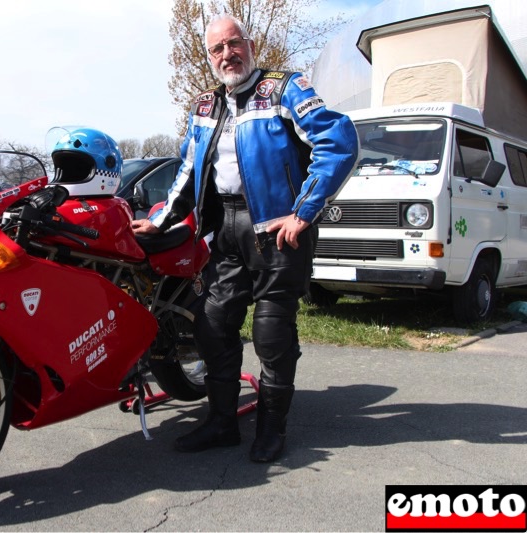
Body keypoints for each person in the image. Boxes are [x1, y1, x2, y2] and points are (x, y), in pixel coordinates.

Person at [132, 14, 358, 462]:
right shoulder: (203, 106)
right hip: (225, 231)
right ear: (209, 56)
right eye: (216, 49)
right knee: (212, 327)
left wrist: (304, 211)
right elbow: (187, 171)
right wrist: (160, 222)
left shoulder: (287, 88)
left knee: (272, 336)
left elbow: (339, 141)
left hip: (278, 231)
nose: (226, 55)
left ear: (249, 45)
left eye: (233, 44)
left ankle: (272, 431)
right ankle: (221, 423)